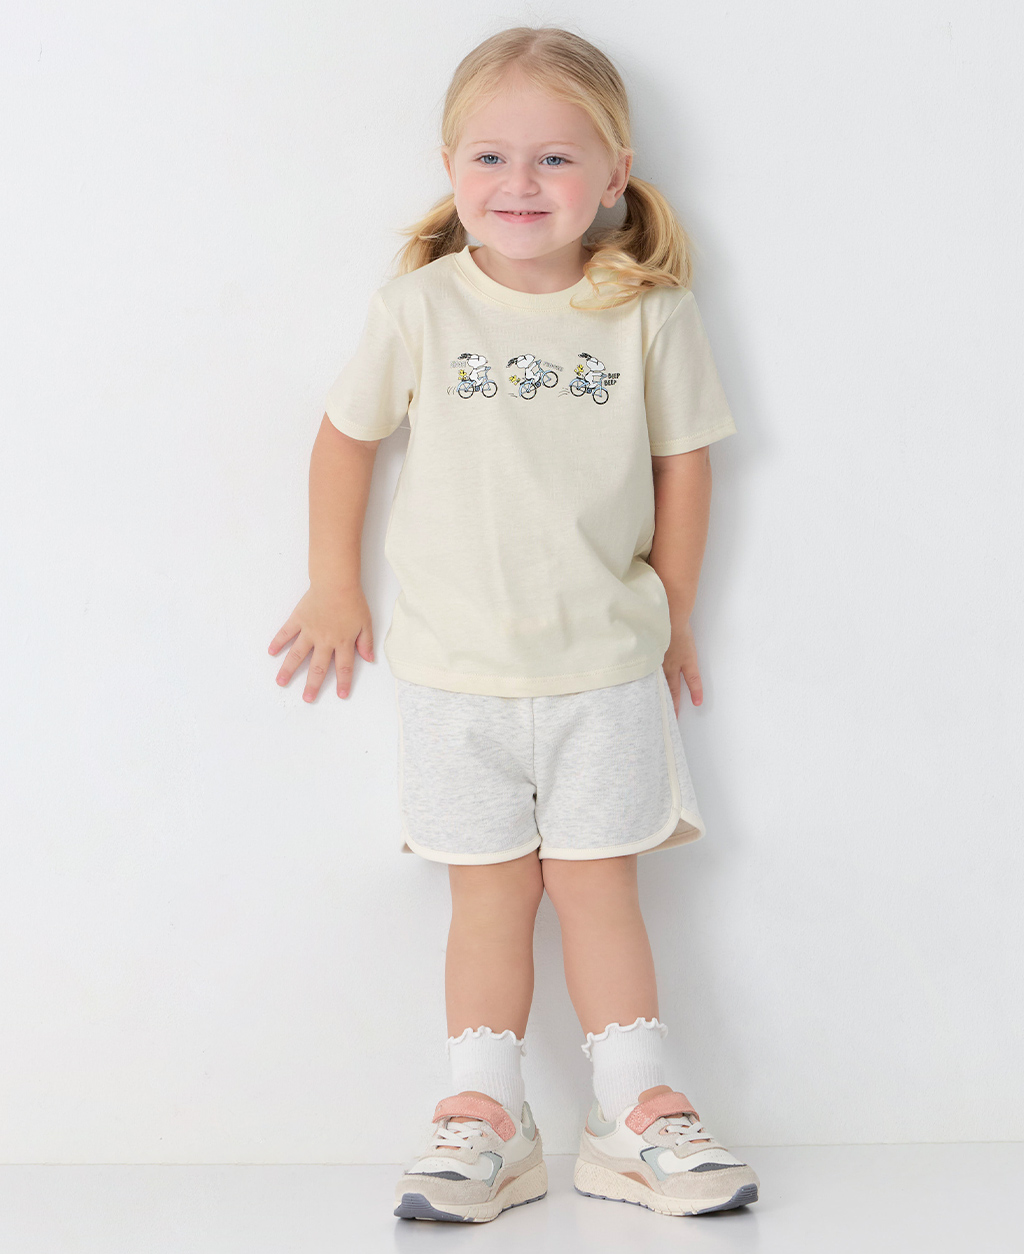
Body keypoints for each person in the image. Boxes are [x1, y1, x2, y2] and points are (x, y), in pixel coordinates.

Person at [268, 24, 759, 1225]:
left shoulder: (648, 311)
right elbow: (345, 439)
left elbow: (684, 464)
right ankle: (482, 1116)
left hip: (604, 670)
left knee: (599, 890)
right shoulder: (419, 308)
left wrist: (673, 609)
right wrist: (333, 585)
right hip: (455, 677)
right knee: (487, 899)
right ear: (449, 169)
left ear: (614, 171)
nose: (519, 184)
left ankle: (635, 1112)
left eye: (553, 158)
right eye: (490, 157)